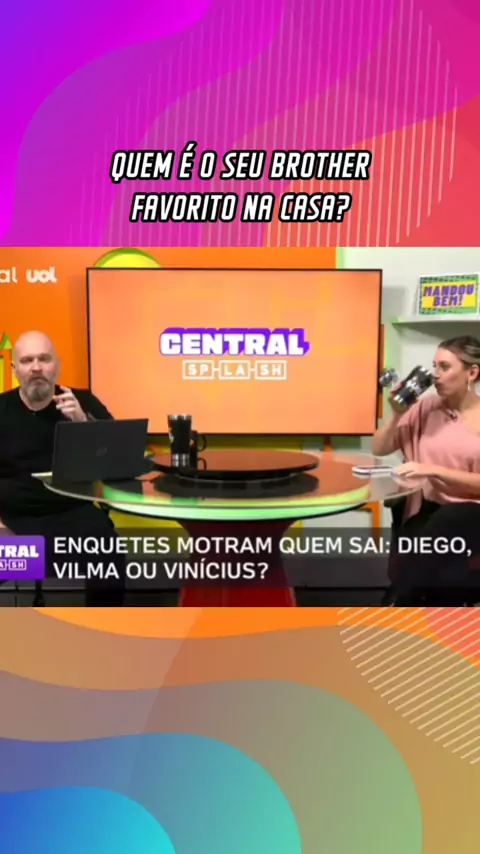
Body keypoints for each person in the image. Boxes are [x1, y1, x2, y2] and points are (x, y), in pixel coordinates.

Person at [0, 330, 124, 606]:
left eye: (44, 359)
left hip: (72, 513)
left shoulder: (83, 402)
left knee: (108, 552)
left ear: (56, 366)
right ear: (14, 369)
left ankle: (103, 627)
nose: (36, 368)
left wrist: (82, 423)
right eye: (27, 361)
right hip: (12, 520)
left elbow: (117, 460)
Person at [372, 335, 480, 605]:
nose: (436, 375)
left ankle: (393, 603)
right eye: (434, 366)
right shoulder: (425, 407)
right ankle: (406, 607)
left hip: (473, 511)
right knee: (436, 565)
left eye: (445, 367)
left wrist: (433, 470)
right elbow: (379, 448)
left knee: (452, 518)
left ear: (472, 373)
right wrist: (397, 413)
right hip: (431, 509)